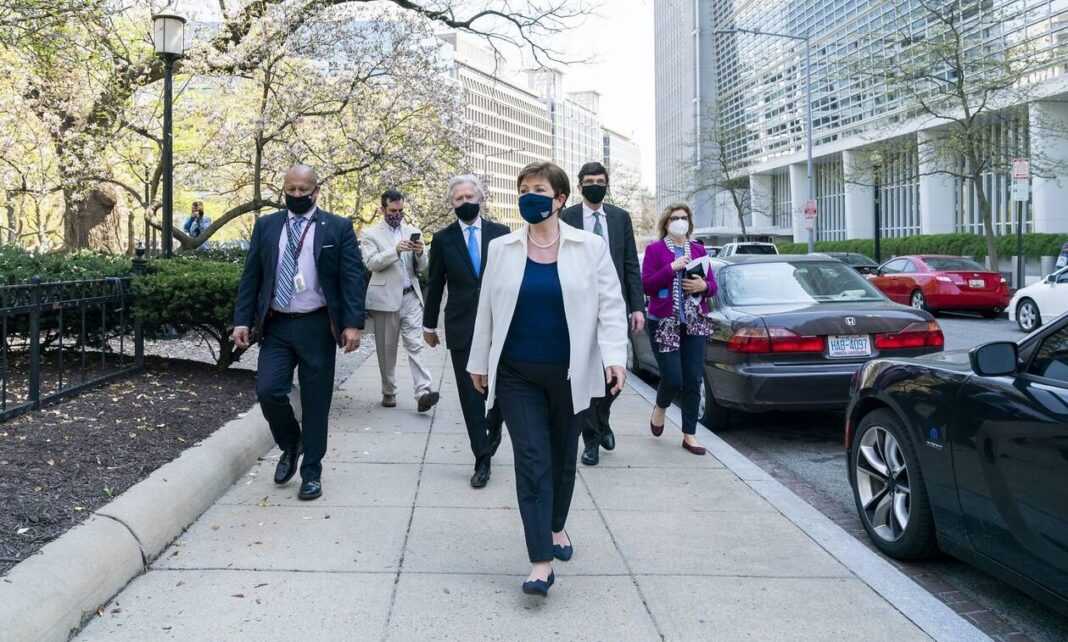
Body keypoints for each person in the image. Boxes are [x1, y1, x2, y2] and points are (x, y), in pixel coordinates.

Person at [468, 161, 628, 596]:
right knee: (532, 459)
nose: (529, 196)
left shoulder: (589, 247)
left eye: (538, 189)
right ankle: (540, 561)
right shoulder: (502, 248)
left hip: (570, 373)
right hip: (516, 374)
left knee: (561, 458)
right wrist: (479, 361)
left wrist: (615, 357)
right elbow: (487, 309)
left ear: (560, 199)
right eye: (523, 189)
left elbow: (610, 306)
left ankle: (556, 525)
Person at [231, 164, 366, 501]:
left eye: (302, 190)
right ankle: (291, 443)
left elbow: (352, 278)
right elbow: (252, 276)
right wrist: (242, 320)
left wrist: (353, 324)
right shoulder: (267, 226)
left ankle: (312, 473)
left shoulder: (337, 227)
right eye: (290, 190)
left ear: (315, 191)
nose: (295, 195)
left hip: (317, 325)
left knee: (316, 403)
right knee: (268, 390)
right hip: (276, 324)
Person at [423, 175, 509, 488]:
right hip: (461, 326)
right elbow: (435, 284)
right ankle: (482, 457)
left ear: (480, 198)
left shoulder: (501, 235)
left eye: (469, 197)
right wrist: (429, 324)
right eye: (458, 198)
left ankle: (495, 423)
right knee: (470, 396)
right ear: (452, 203)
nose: (465, 202)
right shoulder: (442, 239)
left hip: (499, 324)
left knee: (499, 389)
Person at [561, 161, 644, 466]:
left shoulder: (620, 218)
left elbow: (630, 264)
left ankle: (603, 418)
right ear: (579, 186)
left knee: (614, 370)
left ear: (606, 185)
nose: (595, 186)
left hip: (613, 305)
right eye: (589, 182)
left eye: (600, 181)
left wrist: (637, 306)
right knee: (585, 372)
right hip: (579, 306)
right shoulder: (567, 217)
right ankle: (591, 440)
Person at [641, 203, 717, 455]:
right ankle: (660, 407)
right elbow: (647, 285)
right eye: (675, 218)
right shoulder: (654, 250)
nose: (680, 221)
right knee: (673, 378)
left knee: (693, 378)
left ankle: (689, 435)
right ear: (666, 222)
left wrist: (703, 286)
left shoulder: (698, 250)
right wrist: (671, 268)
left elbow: (713, 286)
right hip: (664, 322)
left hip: (694, 322)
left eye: (684, 217)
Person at [361, 189, 439, 412]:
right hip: (385, 299)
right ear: (382, 209)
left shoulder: (413, 231)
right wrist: (394, 250)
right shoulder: (370, 234)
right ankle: (389, 391)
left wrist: (420, 253)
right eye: (393, 210)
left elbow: (422, 268)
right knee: (387, 350)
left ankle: (423, 392)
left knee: (416, 345)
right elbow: (371, 263)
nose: (397, 214)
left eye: (401, 210)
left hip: (411, 296)